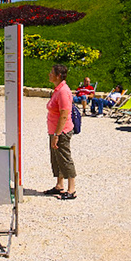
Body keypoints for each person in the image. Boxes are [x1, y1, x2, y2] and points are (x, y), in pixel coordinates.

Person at [44, 64, 77, 200]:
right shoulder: (58, 89)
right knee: (56, 158)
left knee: (64, 158)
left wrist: (57, 135)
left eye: (51, 72)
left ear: (58, 76)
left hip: (61, 132)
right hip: (54, 130)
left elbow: (64, 114)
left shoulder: (63, 91)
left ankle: (72, 189)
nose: (49, 74)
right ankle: (59, 185)